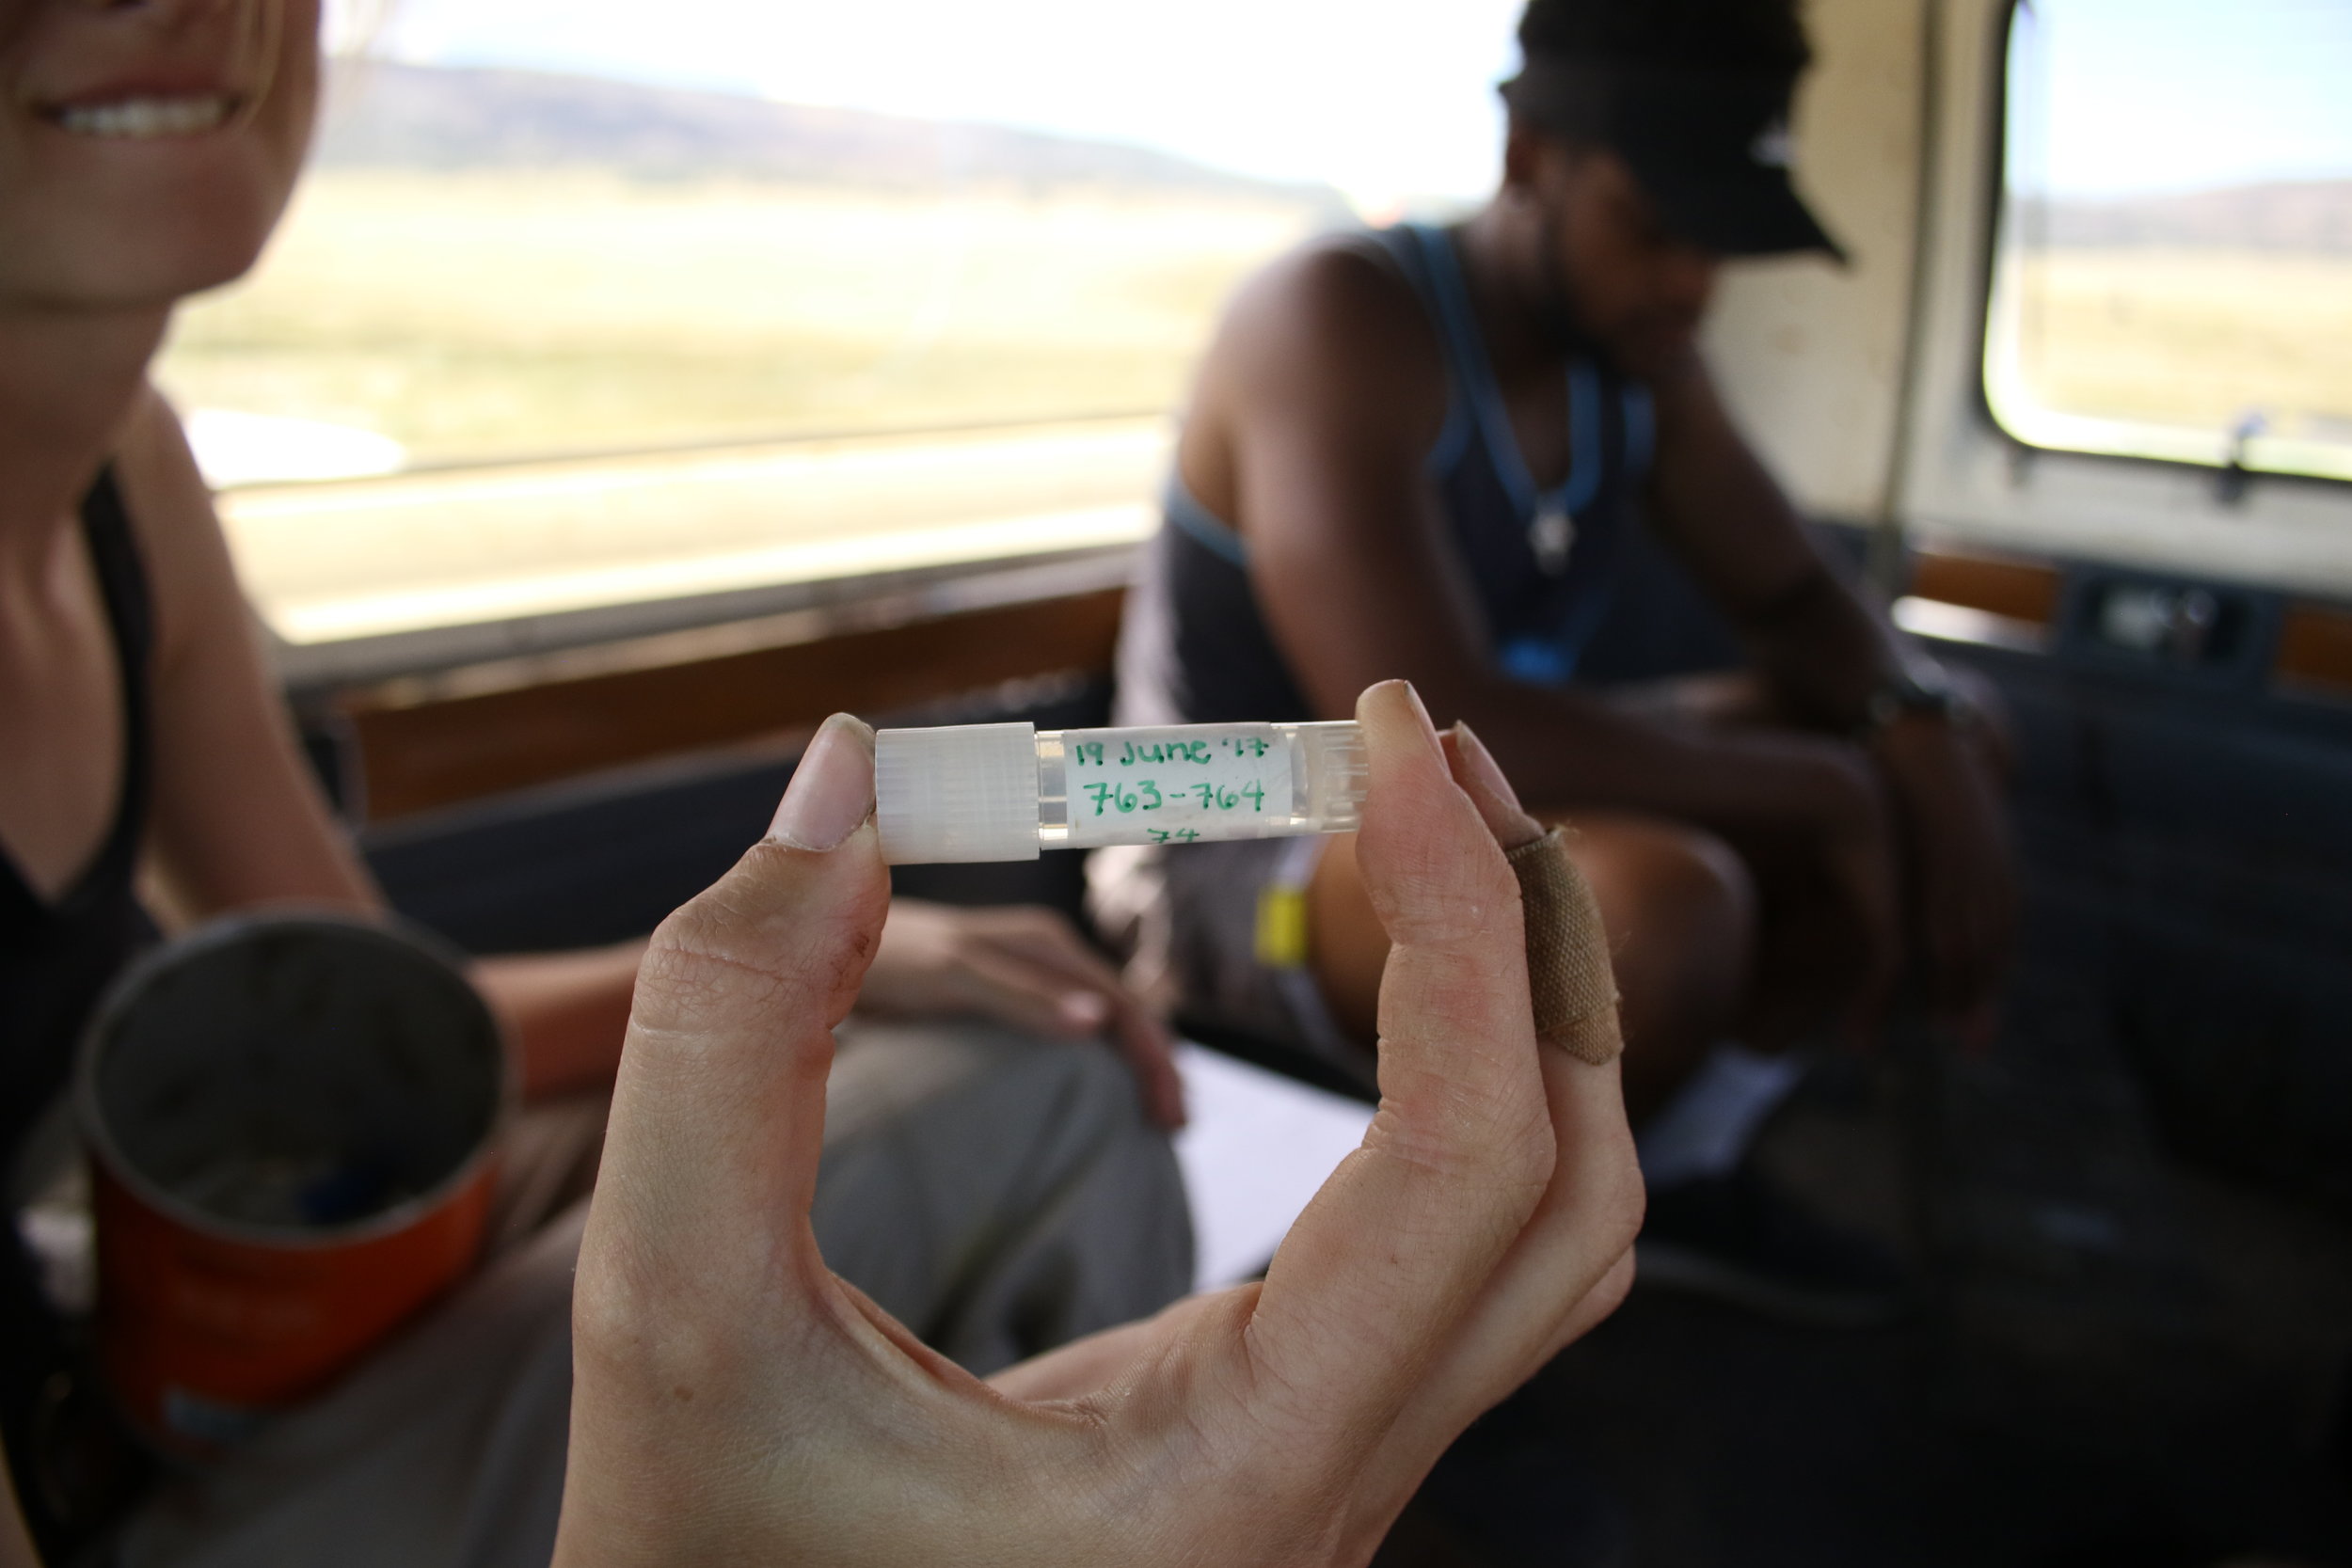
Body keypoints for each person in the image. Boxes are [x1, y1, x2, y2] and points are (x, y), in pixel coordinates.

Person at [0, 0, 1184, 1559]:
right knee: (1043, 1127)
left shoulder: (128, 489)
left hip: (172, 1357)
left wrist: (835, 970)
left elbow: (381, 1033)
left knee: (1038, 1065)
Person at [1093, 0, 2015, 1323]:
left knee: (1942, 733)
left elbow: (1801, 593)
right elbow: (1422, 730)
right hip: (1228, 832)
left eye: (1720, 241)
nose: (1692, 283)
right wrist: (1823, 788)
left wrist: (1911, 721)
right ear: (1530, 153)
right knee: (1657, 910)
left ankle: (1680, 1179)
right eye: (1656, 226)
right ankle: (1453, 1311)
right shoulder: (1341, 318)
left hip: (1483, 786)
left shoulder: (1638, 362)